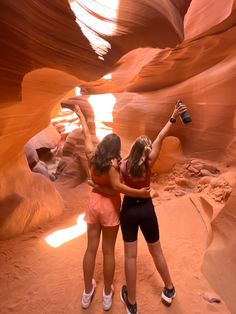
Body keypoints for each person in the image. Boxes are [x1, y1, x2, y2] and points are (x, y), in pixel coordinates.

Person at [60, 98, 150, 311]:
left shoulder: (91, 155)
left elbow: (84, 131)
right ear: (116, 149)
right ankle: (107, 294)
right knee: (108, 252)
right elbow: (118, 188)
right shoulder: (113, 165)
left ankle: (86, 293)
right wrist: (139, 192)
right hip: (109, 208)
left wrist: (80, 115)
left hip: (93, 205)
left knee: (91, 249)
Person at [118, 101, 188, 314]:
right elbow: (160, 137)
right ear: (146, 151)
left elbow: (114, 183)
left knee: (130, 256)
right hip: (147, 209)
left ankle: (131, 302)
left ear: (133, 149)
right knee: (156, 251)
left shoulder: (122, 165)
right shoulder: (149, 162)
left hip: (128, 211)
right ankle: (169, 288)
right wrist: (173, 116)